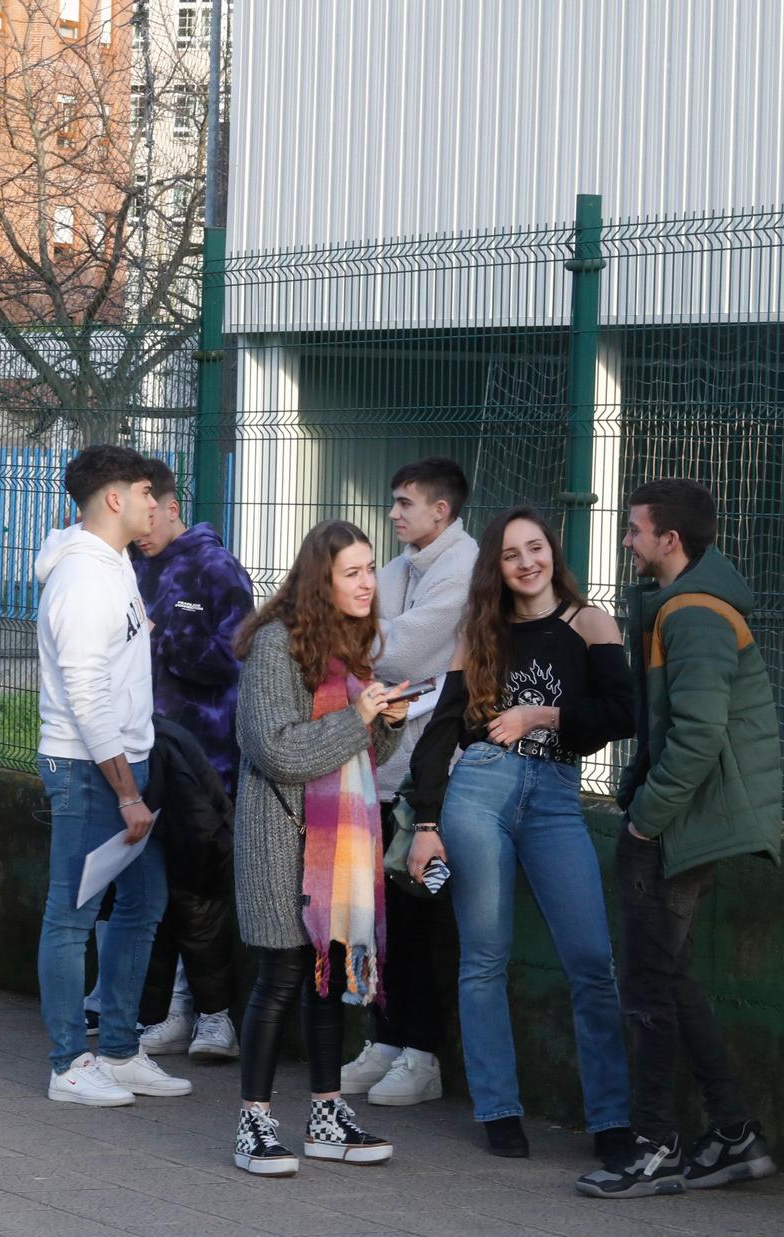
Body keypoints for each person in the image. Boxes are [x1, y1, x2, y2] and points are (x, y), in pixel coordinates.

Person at [407, 507, 635, 1162]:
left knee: (592, 960)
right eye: (511, 554)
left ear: (551, 553)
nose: (527, 561)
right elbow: (442, 731)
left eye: (535, 548)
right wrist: (426, 821)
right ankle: (498, 1108)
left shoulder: (588, 622)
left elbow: (621, 713)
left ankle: (611, 1119)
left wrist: (540, 713)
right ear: (497, 568)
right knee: (485, 957)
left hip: (558, 796)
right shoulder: (480, 632)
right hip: (479, 791)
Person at [578, 480, 783, 1199]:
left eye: (635, 530)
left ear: (670, 541)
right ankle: (733, 1133)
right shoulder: (683, 603)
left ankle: (655, 1143)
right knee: (668, 977)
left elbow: (697, 735)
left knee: (646, 985)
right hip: (682, 819)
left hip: (679, 826)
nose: (627, 540)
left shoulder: (694, 612)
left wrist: (644, 817)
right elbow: (669, 725)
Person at [231, 519, 408, 1176]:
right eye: (353, 572)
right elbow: (275, 748)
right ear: (321, 579)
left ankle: (327, 1115)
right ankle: (254, 1121)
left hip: (336, 846)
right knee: (280, 977)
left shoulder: (350, 645)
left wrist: (384, 723)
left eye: (371, 569)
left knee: (327, 974)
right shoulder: (276, 645)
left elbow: (356, 750)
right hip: (281, 837)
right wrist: (359, 719)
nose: (369, 583)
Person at [33, 445, 190, 1107]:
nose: (158, 503)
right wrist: (127, 792)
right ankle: (70, 1062)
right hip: (89, 769)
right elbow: (88, 697)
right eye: (148, 492)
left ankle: (121, 1048)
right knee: (70, 915)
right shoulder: (83, 580)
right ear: (117, 499)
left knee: (145, 901)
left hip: (128, 761)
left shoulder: (116, 561)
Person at [339, 457, 478, 1110]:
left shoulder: (463, 568)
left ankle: (423, 1053)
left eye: (404, 503)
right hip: (383, 767)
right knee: (380, 918)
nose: (393, 513)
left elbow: (397, 650)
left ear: (441, 511)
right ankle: (387, 1039)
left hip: (435, 775)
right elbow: (365, 628)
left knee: (422, 920)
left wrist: (367, 633)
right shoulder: (404, 566)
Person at [128, 460, 253, 1063]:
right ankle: (170, 1011)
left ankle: (215, 1016)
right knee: (157, 888)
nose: (140, 526)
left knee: (200, 891)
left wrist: (160, 634)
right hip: (141, 751)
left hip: (206, 758)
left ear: (172, 506)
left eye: (149, 513)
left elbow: (234, 657)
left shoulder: (214, 565)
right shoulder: (128, 565)